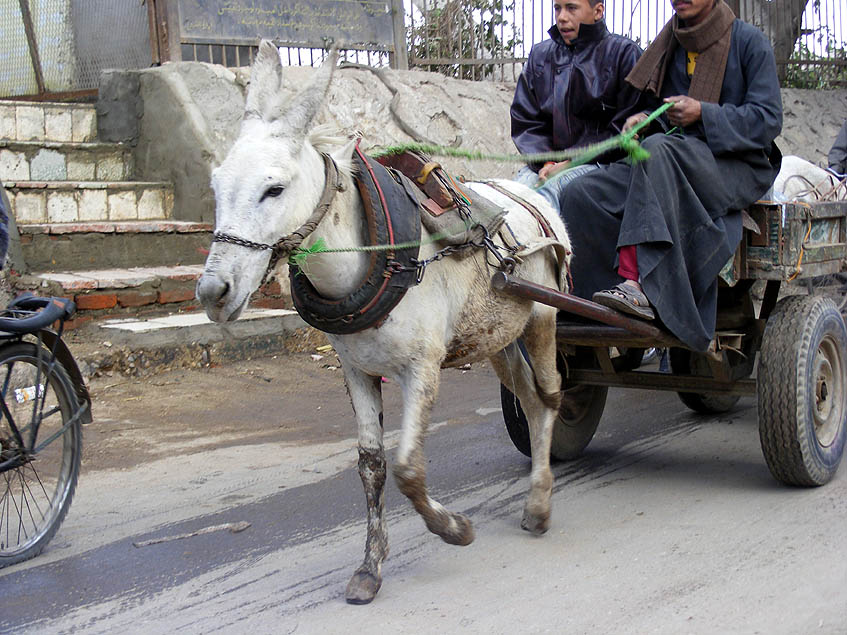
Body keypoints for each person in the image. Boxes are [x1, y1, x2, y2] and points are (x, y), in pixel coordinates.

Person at [558, 0, 783, 352]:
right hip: (676, 158)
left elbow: (767, 120)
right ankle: (589, 303)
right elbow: (668, 114)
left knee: (661, 151)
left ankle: (640, 285)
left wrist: (703, 113)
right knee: (581, 191)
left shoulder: (750, 43)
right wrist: (647, 120)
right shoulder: (674, 44)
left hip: (737, 165)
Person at [510, 0, 646, 204]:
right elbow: (526, 121)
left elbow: (624, 129)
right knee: (511, 197)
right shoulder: (540, 56)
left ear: (598, 11)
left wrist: (571, 162)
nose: (562, 17)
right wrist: (546, 161)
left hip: (603, 164)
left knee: (546, 196)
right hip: (546, 165)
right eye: (558, 8)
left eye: (571, 8)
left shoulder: (624, 53)